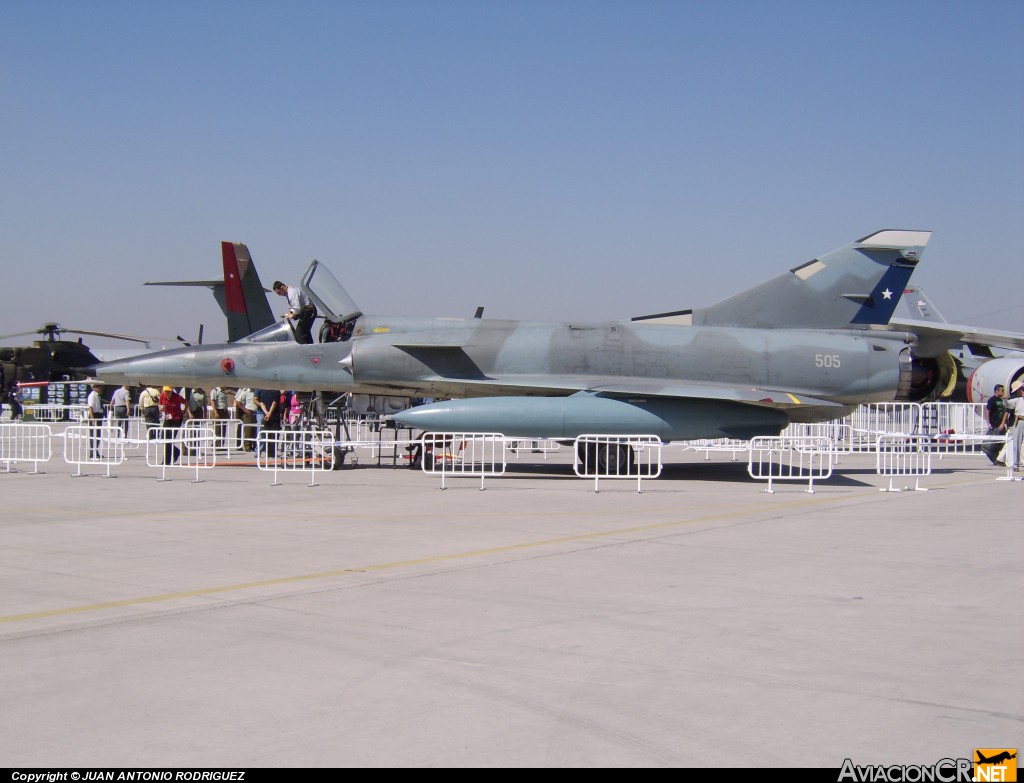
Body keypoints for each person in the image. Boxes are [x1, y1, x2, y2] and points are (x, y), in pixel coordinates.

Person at [273, 280, 317, 344]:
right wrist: (288, 315)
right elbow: (293, 309)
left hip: (309, 311)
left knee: (299, 334)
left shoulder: (291, 293)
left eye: (279, 293)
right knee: (305, 332)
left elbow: (297, 309)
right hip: (306, 311)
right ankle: (312, 349)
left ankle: (306, 351)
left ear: (282, 287)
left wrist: (291, 316)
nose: (279, 295)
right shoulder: (289, 294)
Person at [982, 384, 1010, 464]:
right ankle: (994, 459)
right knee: (990, 445)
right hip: (994, 424)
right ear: (997, 391)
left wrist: (1004, 424)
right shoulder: (992, 400)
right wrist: (988, 423)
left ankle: (999, 459)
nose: (1003, 392)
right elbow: (987, 412)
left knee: (1002, 443)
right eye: (1002, 390)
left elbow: (1005, 412)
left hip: (1001, 424)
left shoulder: (1002, 400)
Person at [1001, 379, 1024, 471]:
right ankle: (1015, 464)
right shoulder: (1017, 400)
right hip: (1020, 421)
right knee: (1017, 443)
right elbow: (1008, 405)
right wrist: (1005, 400)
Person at [158, 386, 186, 464]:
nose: (167, 393)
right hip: (167, 419)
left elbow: (185, 402)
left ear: (171, 391)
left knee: (170, 439)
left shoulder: (177, 397)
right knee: (164, 438)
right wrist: (161, 408)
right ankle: (176, 451)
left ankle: (166, 461)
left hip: (176, 419)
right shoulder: (162, 396)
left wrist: (184, 411)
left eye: (169, 391)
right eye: (166, 391)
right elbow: (160, 404)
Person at [257, 387, 283, 456]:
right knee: (274, 434)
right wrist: (270, 413)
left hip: (266, 415)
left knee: (267, 434)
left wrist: (266, 413)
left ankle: (267, 451)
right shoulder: (277, 392)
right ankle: (271, 453)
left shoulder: (263, 391)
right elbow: (274, 403)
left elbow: (262, 404)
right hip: (274, 415)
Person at [234, 387, 258, 451]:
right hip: (248, 413)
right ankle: (247, 446)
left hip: (256, 413)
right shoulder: (245, 392)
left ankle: (254, 445)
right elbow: (237, 401)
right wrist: (244, 409)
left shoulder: (257, 392)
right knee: (248, 431)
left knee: (254, 431)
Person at [85, 383, 105, 458]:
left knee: (98, 435)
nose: (100, 389)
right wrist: (93, 419)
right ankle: (92, 452)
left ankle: (96, 451)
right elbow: (90, 407)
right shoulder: (92, 396)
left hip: (98, 415)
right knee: (94, 435)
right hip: (94, 415)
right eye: (99, 387)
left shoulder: (97, 395)